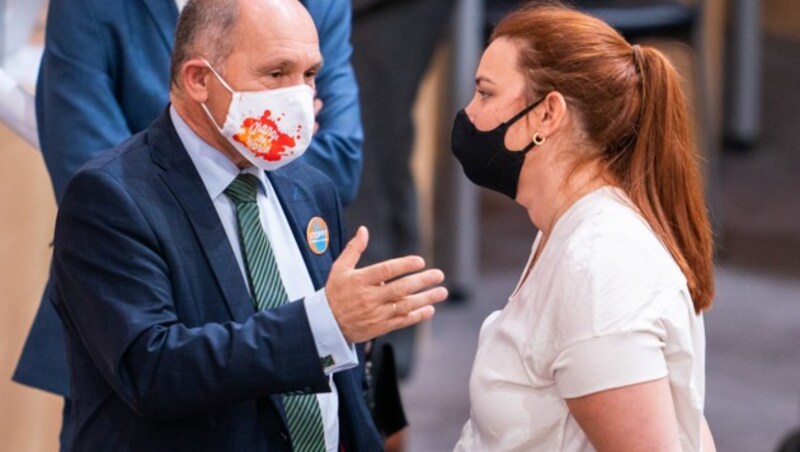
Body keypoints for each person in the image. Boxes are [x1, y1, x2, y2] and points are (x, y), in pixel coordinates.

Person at [48, 0, 448, 449]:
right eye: (277, 74)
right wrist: (323, 324)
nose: (301, 98)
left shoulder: (310, 186)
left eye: (310, 74)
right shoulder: (109, 198)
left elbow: (345, 384)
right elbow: (155, 371)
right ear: (198, 79)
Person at [450, 4, 717, 451]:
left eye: (486, 94)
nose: (469, 114)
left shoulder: (599, 264)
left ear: (547, 114)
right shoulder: (565, 228)